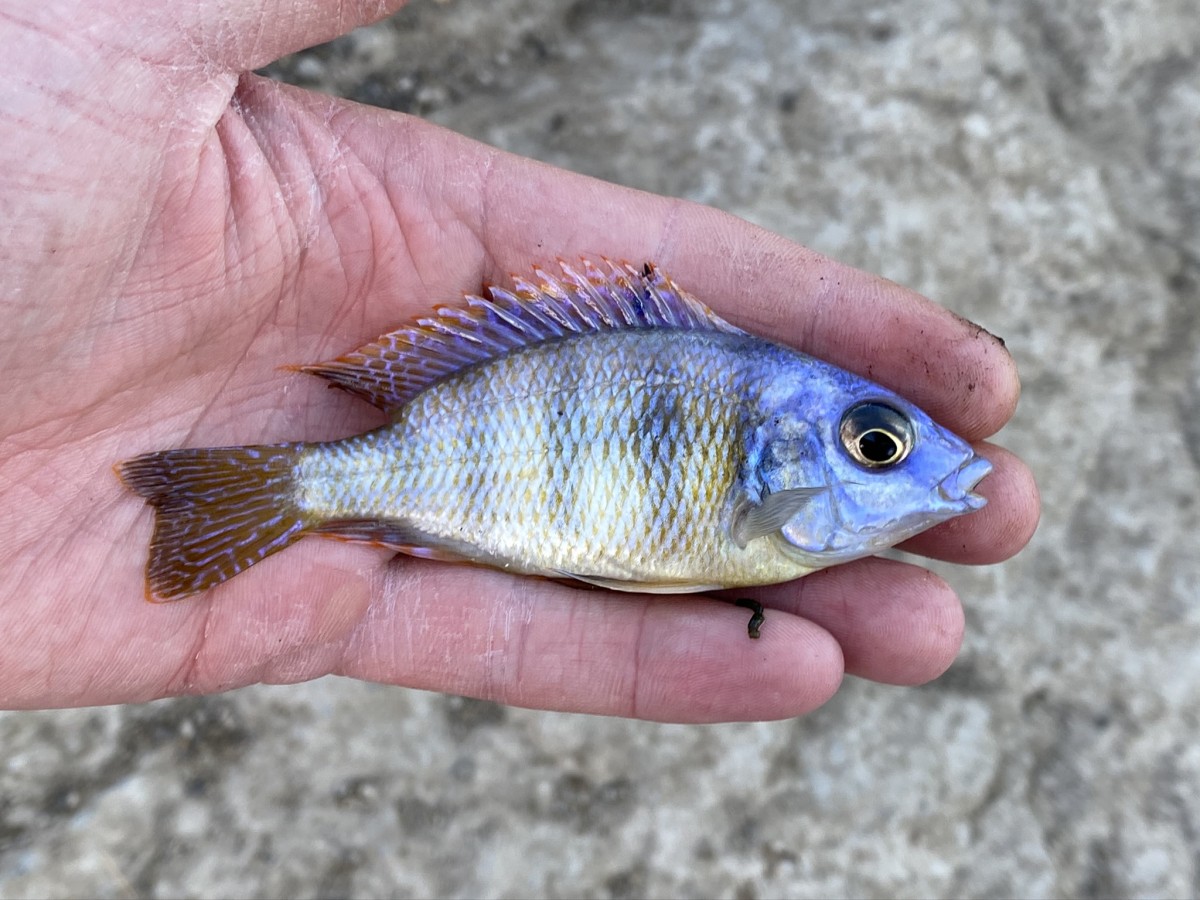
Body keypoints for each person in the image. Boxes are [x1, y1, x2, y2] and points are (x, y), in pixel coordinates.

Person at [0, 0, 1037, 722]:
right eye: (876, 441)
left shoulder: (781, 510)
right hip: (455, 467)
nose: (924, 468)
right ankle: (287, 492)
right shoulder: (766, 496)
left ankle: (285, 493)